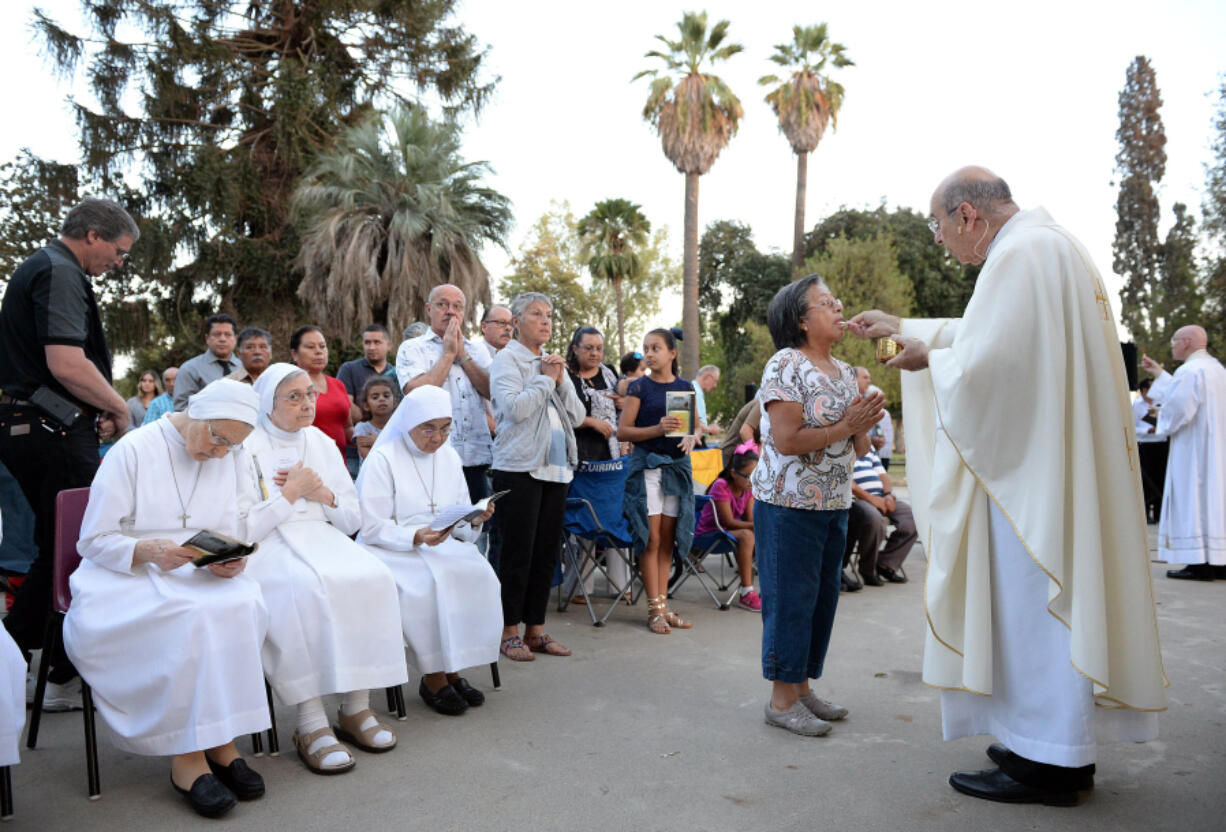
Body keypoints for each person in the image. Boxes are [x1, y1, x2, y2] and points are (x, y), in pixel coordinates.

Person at [849, 166, 1166, 805]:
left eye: (940, 230)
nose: (942, 243)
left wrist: (928, 360)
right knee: (1039, 611)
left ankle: (1050, 762)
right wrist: (906, 326)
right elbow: (996, 338)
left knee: (1033, 608)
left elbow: (993, 362)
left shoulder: (1022, 255)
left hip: (1033, 478)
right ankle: (1044, 743)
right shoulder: (1047, 246)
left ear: (968, 215)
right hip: (1051, 461)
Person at [63, 380, 270, 818]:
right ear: (198, 413)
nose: (220, 453)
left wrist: (229, 557)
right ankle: (187, 757)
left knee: (243, 603)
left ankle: (220, 738)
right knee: (187, 615)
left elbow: (233, 524)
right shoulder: (133, 449)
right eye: (217, 439)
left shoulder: (229, 453)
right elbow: (93, 539)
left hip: (194, 567)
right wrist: (147, 551)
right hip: (126, 571)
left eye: (231, 446)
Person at [0, 197, 138, 711]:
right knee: (83, 547)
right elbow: (64, 361)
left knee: (55, 548)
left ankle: (36, 666)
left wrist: (89, 407)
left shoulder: (43, 266)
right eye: (119, 252)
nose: (118, 264)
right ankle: (47, 671)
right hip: (50, 431)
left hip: (40, 424)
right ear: (95, 235)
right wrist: (118, 407)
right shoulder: (60, 270)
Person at [242, 363, 406, 772]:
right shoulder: (245, 445)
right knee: (300, 589)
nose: (306, 405)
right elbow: (242, 527)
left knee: (372, 576)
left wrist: (323, 493)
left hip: (322, 535)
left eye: (310, 395)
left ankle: (355, 708)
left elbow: (353, 521)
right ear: (268, 402)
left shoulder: (319, 440)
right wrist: (289, 495)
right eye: (293, 397)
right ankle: (311, 723)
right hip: (268, 543)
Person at [751, 275, 883, 736]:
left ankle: (803, 689)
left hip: (834, 502)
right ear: (802, 320)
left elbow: (860, 448)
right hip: (788, 503)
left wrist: (863, 420)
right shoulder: (785, 364)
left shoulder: (846, 372)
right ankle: (781, 700)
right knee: (791, 600)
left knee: (821, 600)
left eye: (837, 299)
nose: (839, 305)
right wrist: (845, 424)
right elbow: (787, 441)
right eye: (827, 302)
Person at [357, 386, 502, 715]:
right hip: (395, 547)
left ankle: (455, 668)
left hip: (442, 541)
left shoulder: (450, 456)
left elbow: (458, 516)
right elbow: (371, 527)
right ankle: (434, 677)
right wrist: (415, 536)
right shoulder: (383, 458)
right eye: (429, 428)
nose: (438, 438)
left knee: (479, 574)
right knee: (426, 586)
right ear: (409, 423)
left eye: (445, 428)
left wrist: (474, 518)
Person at [490, 292, 584, 662]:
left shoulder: (551, 363)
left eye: (549, 315)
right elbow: (513, 410)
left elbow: (575, 416)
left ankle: (536, 630)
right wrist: (545, 380)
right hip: (518, 467)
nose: (545, 321)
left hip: (557, 468)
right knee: (517, 553)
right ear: (516, 322)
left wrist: (559, 380)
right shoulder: (506, 359)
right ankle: (509, 631)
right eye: (536, 314)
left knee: (546, 554)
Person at [618, 328, 701, 635]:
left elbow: (685, 432)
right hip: (647, 470)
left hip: (676, 470)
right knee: (650, 539)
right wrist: (657, 429)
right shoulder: (639, 387)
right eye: (645, 349)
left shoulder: (684, 387)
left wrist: (692, 434)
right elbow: (623, 432)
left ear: (672, 353)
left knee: (667, 540)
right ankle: (654, 610)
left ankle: (663, 607)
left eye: (655, 348)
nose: (649, 354)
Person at [1142, 325, 1226, 580]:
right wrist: (1159, 373)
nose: (1173, 346)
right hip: (1216, 451)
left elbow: (1178, 410)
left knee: (1192, 499)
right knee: (1214, 503)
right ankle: (1219, 562)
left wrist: (1161, 417)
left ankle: (1198, 563)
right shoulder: (1217, 369)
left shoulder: (1190, 371)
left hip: (1194, 452)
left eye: (1175, 342)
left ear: (1187, 342)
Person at [396, 285, 493, 504]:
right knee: (436, 527)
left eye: (457, 306)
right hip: (431, 455)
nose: (450, 311)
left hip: (475, 458)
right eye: (442, 305)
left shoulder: (477, 350)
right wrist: (449, 354)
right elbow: (418, 394)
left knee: (474, 528)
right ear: (429, 309)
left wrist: (463, 356)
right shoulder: (412, 348)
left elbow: (491, 392)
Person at [562, 326, 627, 606]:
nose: (594, 353)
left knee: (612, 517)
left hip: (608, 457)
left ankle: (620, 586)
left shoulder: (609, 374)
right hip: (575, 457)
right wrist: (591, 422)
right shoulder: (563, 375)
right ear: (575, 348)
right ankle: (579, 586)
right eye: (588, 348)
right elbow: (562, 412)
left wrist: (624, 404)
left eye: (598, 348)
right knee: (582, 520)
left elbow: (622, 408)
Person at [696, 442, 760, 611]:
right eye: (747, 476)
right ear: (733, 473)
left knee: (766, 533)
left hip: (729, 534)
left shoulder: (748, 489)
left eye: (755, 476)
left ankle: (768, 588)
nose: (751, 481)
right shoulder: (721, 485)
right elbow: (729, 521)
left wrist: (762, 525)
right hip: (709, 534)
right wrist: (757, 525)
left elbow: (750, 518)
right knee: (748, 535)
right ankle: (747, 592)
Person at [845, 448, 917, 585]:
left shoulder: (869, 448)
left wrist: (888, 495)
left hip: (881, 497)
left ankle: (885, 564)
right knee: (875, 520)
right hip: (858, 500)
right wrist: (872, 500)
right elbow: (848, 482)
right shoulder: (843, 446)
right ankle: (867, 570)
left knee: (912, 519)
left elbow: (883, 476)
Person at [290, 325, 350, 459]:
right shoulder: (288, 387)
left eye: (322, 346)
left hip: (339, 464)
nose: (318, 352)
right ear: (294, 354)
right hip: (305, 461)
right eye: (310, 347)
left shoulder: (338, 384)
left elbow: (347, 428)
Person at [173, 314, 241, 410]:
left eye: (228, 335)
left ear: (236, 339)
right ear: (207, 339)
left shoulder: (245, 369)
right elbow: (182, 408)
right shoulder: (190, 369)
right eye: (217, 334)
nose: (222, 339)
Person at [337, 324, 399, 409]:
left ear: (388, 345)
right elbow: (345, 403)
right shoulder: (349, 369)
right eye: (367, 342)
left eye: (377, 342)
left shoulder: (396, 374)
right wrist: (368, 421)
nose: (371, 347)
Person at [1132, 377, 1168, 524]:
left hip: (1161, 443)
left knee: (1160, 478)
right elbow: (1133, 426)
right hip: (1146, 444)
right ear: (1144, 390)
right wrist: (1148, 429)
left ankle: (1159, 513)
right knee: (1147, 480)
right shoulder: (1137, 405)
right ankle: (1146, 512)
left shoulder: (1161, 403)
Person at [353, 376, 399, 462]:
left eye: (386, 396)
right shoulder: (362, 428)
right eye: (375, 397)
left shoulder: (400, 429)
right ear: (366, 406)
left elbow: (402, 456)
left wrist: (378, 441)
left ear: (395, 402)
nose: (381, 399)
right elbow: (371, 459)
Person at [720, 397, 762, 469]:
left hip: (742, 459)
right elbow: (745, 432)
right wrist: (757, 461)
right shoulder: (761, 403)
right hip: (730, 456)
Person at [693, 364, 724, 438]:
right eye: (715, 381)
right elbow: (693, 422)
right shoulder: (696, 392)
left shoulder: (694, 389)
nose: (715, 386)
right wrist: (710, 429)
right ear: (707, 377)